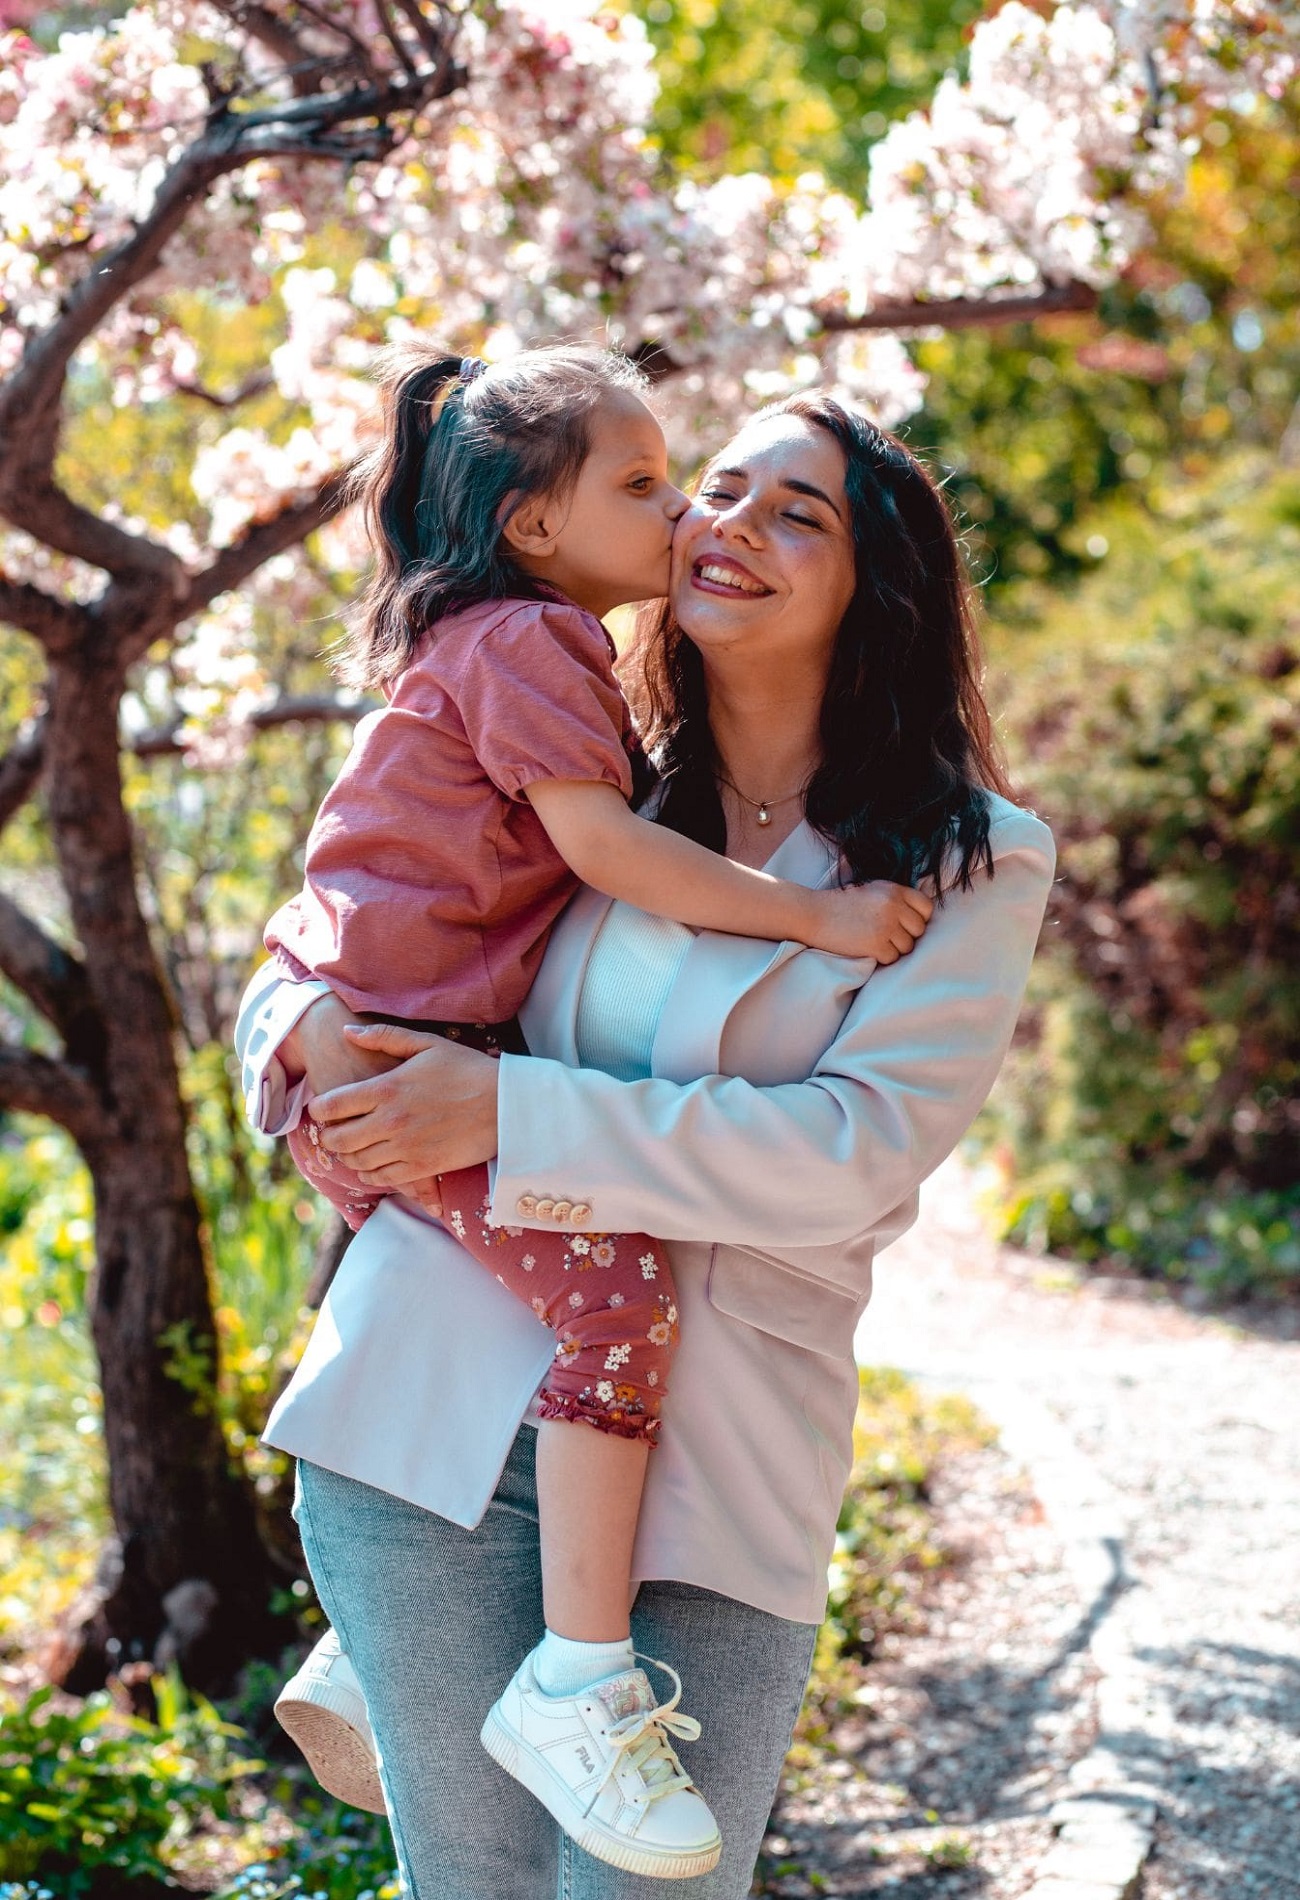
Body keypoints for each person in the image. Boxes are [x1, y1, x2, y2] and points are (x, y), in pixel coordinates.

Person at [236, 389, 1056, 1899]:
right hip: (430, 1432)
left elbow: (846, 1152)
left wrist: (506, 1112)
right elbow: (344, 922)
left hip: (718, 1474)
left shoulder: (972, 859)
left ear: (881, 586)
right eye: (714, 488)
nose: (723, 522)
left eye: (791, 510)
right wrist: (291, 1035)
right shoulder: (590, 773)